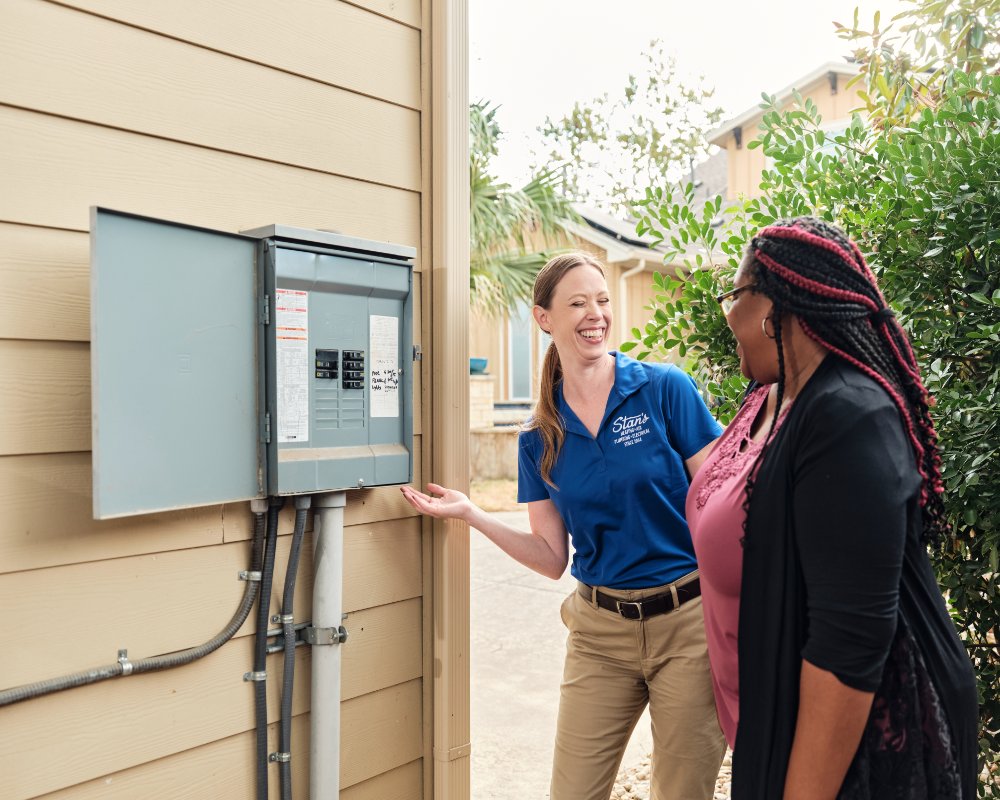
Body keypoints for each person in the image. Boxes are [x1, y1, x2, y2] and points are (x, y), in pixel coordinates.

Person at [401, 252, 727, 800]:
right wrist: (472, 514)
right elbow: (552, 556)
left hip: (688, 626)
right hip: (600, 635)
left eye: (602, 300)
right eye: (577, 303)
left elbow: (725, 499)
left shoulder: (663, 389)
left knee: (683, 793)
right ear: (544, 318)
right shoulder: (539, 436)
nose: (594, 314)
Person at [687, 217, 979, 799]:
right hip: (774, 726)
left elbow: (847, 647)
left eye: (732, 298)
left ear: (773, 305)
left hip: (868, 751)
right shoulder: (770, 396)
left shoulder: (848, 417)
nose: (727, 317)